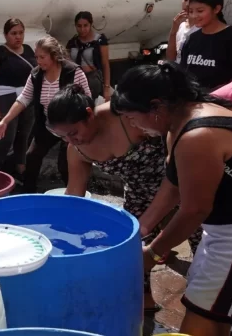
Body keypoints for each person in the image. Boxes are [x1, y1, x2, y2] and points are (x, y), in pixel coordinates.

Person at [47, 83, 202, 313]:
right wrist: (59, 237)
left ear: (89, 115)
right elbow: (74, 197)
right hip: (139, 193)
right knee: (132, 248)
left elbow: (177, 132)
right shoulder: (77, 150)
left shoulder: (125, 116)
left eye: (73, 132)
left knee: (201, 239)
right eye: (63, 136)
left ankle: (205, 303)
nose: (71, 140)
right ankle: (145, 301)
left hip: (180, 182)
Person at [112, 61, 232, 335]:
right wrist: (141, 228)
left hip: (230, 237)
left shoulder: (197, 136)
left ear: (156, 107)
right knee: (211, 308)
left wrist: (152, 254)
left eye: (132, 117)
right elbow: (174, 185)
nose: (134, 126)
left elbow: (194, 210)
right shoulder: (179, 124)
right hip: (218, 234)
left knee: (201, 318)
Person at [0, 36, 91, 193]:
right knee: (32, 157)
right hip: (48, 126)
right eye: (36, 57)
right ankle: (29, 194)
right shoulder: (36, 75)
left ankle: (76, 196)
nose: (38, 61)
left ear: (53, 55)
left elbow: (88, 100)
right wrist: (5, 121)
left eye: (42, 57)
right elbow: (23, 99)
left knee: (65, 165)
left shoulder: (73, 72)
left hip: (71, 127)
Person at [0, 18, 36, 176]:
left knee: (24, 134)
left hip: (27, 97)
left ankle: (21, 168)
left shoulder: (28, 50)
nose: (18, 37)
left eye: (21, 33)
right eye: (13, 33)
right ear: (6, 35)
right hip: (6, 97)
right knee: (6, 137)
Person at [179, 0, 232, 92]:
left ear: (216, 9)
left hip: (221, 104)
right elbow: (183, 72)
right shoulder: (192, 38)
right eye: (191, 11)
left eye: (200, 11)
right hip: (194, 102)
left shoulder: (230, 37)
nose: (194, 16)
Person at [66, 11, 111, 101]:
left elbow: (105, 64)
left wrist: (107, 87)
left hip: (93, 80)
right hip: (77, 81)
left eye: (85, 25)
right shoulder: (72, 42)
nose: (82, 29)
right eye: (79, 26)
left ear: (90, 24)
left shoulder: (99, 41)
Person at [166, 0, 211, 64]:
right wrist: (173, 31)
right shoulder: (181, 26)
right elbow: (171, 58)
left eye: (193, 0)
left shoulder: (206, 28)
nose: (187, 4)